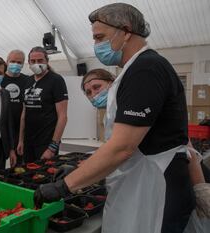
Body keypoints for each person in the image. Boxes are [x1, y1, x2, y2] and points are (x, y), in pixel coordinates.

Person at [34, 3, 210, 233]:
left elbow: (122, 147)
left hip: (156, 189)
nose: (96, 45)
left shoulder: (145, 68)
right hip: (145, 183)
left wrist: (65, 186)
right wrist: (85, 172)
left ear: (126, 32)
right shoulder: (136, 69)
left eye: (100, 37)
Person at [82, 68, 210, 225]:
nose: (94, 94)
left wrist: (200, 186)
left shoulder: (136, 103)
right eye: (88, 92)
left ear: (113, 82)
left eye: (97, 87)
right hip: (152, 184)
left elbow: (184, 143)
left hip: (169, 183)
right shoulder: (113, 113)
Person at [17, 46, 68, 162]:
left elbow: (63, 117)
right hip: (29, 141)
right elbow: (24, 114)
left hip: (46, 142)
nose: (36, 64)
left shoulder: (56, 80)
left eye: (40, 61)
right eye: (33, 61)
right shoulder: (27, 81)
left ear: (47, 61)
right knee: (29, 175)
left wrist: (52, 147)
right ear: (29, 63)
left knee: (45, 177)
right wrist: (21, 140)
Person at [1, 50, 29, 164]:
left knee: (18, 163)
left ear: (23, 64)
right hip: (2, 127)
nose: (15, 64)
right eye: (12, 61)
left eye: (19, 62)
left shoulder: (27, 80)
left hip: (20, 129)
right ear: (7, 62)